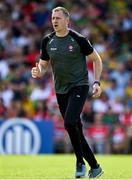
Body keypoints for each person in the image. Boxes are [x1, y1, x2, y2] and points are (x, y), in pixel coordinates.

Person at [31, 6, 103, 179]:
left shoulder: (78, 39)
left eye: (58, 18)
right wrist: (39, 71)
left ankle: (80, 162)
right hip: (60, 90)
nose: (54, 21)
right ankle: (95, 167)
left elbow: (97, 59)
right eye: (53, 18)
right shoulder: (47, 40)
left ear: (67, 20)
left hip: (79, 86)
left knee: (70, 122)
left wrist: (97, 82)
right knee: (75, 128)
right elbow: (43, 64)